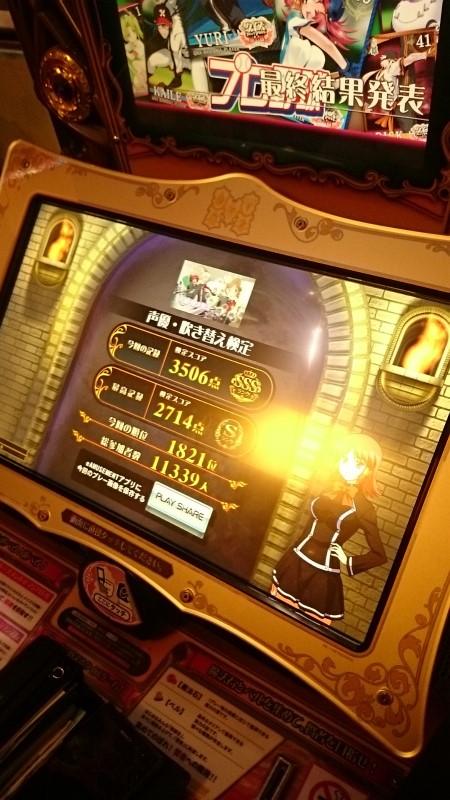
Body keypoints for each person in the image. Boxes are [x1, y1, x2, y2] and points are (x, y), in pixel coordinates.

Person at [271, 433, 387, 623]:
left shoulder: (364, 508)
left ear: (368, 471)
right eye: (344, 459)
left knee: (305, 626)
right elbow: (309, 526)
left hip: (322, 572)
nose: (348, 467)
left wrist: (347, 560)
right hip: (295, 560)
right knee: (274, 613)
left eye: (357, 463)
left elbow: (379, 555)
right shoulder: (329, 488)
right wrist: (292, 551)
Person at [280, 0, 355, 73]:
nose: (309, 8)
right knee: (302, 46)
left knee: (317, 55)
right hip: (284, 70)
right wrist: (345, 67)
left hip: (298, 76)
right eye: (306, 2)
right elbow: (327, 45)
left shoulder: (317, 22)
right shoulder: (295, 17)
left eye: (318, 1)